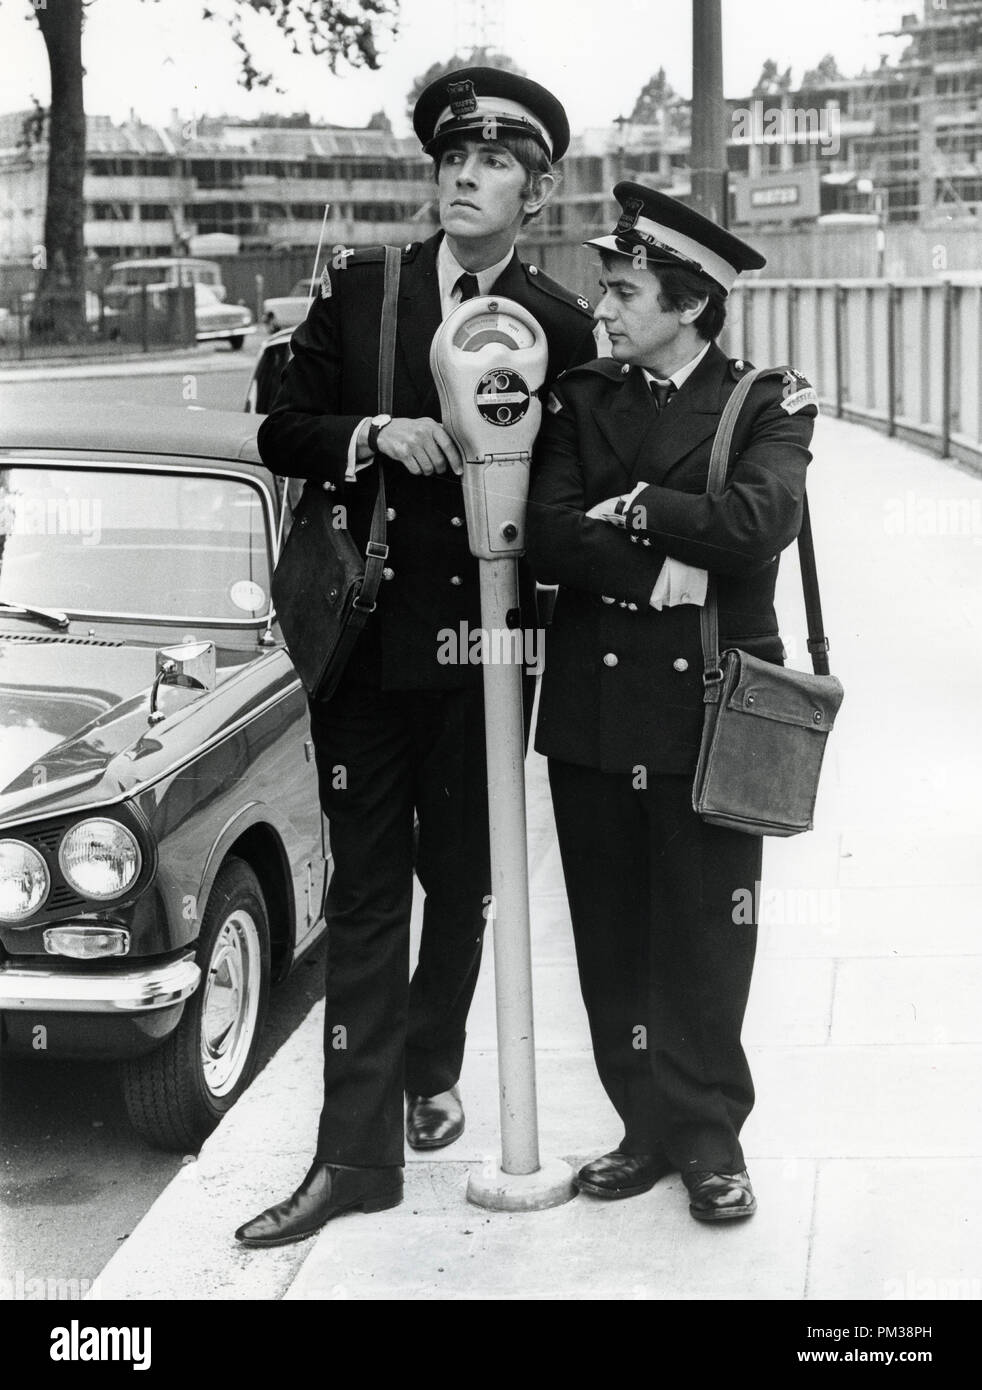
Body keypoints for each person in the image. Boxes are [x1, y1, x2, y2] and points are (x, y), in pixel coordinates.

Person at [235, 68, 595, 1248]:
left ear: (532, 194)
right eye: (451, 160)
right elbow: (279, 427)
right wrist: (368, 433)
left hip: (492, 650)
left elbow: (579, 484)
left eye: (491, 164)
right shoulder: (371, 289)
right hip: (373, 645)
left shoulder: (561, 320)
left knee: (467, 882)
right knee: (369, 889)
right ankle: (354, 1155)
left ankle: (431, 1062)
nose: (463, 176)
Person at [526, 182, 818, 1223]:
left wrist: (644, 504)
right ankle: (640, 1127)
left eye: (621, 289)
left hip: (708, 711)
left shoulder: (769, 402)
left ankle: (708, 1140)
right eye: (606, 287)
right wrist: (663, 571)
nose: (599, 307)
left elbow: (758, 524)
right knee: (609, 930)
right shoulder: (580, 396)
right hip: (595, 712)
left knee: (704, 930)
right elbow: (551, 530)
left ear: (690, 303)